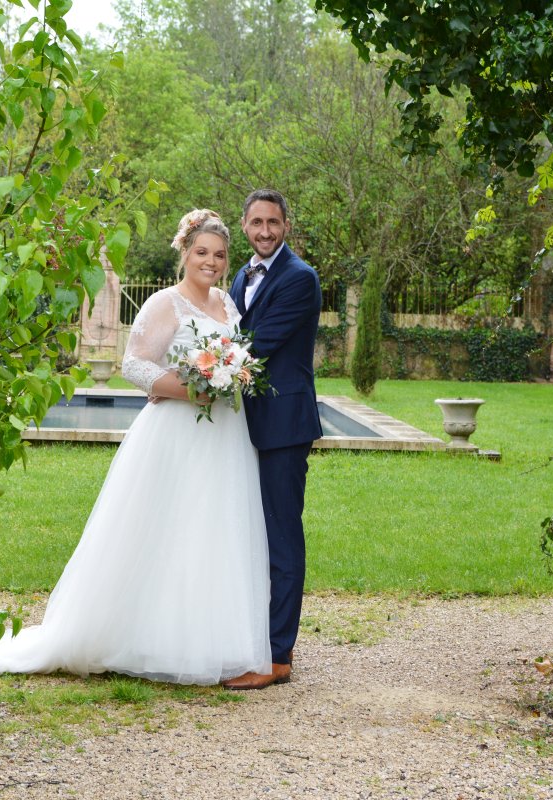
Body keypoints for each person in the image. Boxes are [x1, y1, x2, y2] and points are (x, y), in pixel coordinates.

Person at [0, 210, 272, 685]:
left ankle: (207, 640)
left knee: (213, 528)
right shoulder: (164, 303)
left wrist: (234, 374)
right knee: (164, 528)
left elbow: (237, 357)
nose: (211, 262)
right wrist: (189, 388)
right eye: (202, 253)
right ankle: (137, 635)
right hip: (177, 432)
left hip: (225, 435)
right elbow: (134, 364)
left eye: (219, 255)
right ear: (185, 253)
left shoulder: (228, 305)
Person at [223, 189, 322, 690]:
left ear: (286, 225)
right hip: (245, 423)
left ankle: (277, 656)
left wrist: (191, 372)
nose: (265, 231)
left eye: (273, 223)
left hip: (283, 425)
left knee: (281, 536)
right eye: (257, 222)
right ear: (244, 225)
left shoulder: (299, 279)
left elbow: (255, 346)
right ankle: (249, 638)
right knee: (248, 534)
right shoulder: (241, 275)